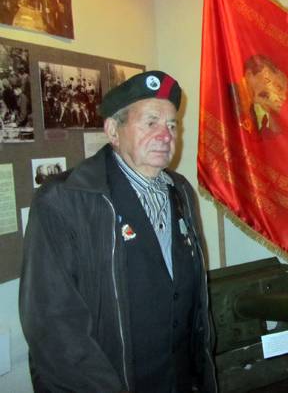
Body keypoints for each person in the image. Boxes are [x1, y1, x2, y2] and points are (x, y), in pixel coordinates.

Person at [19, 71, 217, 393]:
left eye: (172, 125)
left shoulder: (180, 191)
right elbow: (54, 329)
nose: (165, 135)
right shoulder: (63, 201)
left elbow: (194, 307)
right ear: (113, 130)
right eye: (151, 122)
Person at [230, 54, 288, 135]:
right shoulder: (230, 96)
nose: (269, 88)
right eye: (267, 80)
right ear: (249, 76)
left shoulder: (259, 110)